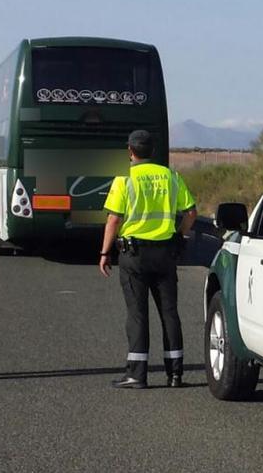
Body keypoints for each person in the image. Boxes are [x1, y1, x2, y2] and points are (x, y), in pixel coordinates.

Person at [99, 130, 197, 389]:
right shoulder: (171, 177)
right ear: (153, 151)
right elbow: (191, 213)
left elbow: (114, 219)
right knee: (169, 313)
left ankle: (136, 374)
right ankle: (175, 374)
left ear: (130, 151)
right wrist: (178, 236)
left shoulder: (124, 180)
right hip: (165, 254)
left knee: (137, 314)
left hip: (135, 256)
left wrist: (104, 252)